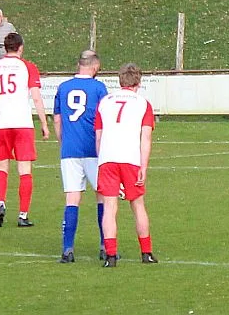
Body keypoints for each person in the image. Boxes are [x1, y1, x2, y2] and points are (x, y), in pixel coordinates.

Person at [0, 32, 49, 227]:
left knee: (2, 167)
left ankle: (0, 203)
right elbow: (36, 98)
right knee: (24, 170)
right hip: (22, 124)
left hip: (2, 124)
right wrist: (44, 123)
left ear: (5, 48)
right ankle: (23, 215)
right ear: (21, 47)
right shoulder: (28, 67)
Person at [95, 63, 156, 267]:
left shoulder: (105, 102)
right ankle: (146, 253)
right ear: (138, 81)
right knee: (138, 205)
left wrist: (102, 159)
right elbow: (145, 138)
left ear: (120, 79)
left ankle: (111, 256)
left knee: (109, 207)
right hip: (130, 159)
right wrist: (143, 167)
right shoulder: (143, 104)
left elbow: (98, 137)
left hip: (107, 159)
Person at [53, 50, 110, 263]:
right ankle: (105, 246)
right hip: (94, 150)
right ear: (95, 67)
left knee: (72, 198)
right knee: (103, 196)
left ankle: (67, 249)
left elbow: (57, 119)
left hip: (70, 150)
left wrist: (64, 142)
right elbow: (104, 120)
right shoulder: (99, 88)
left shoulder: (63, 87)